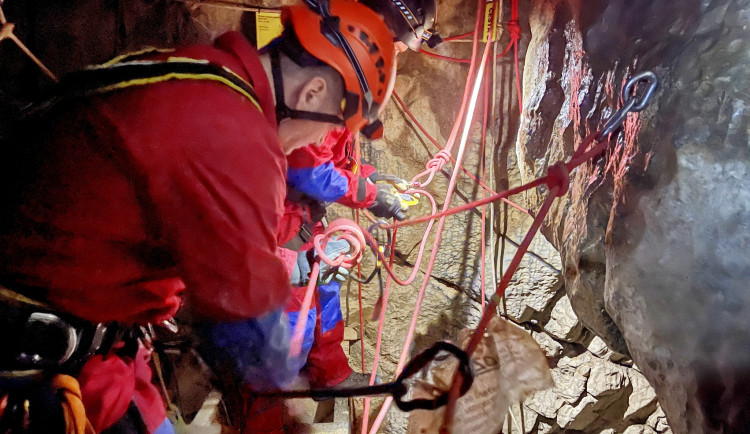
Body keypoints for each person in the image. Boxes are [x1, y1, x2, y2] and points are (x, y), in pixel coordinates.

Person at [0, 0, 396, 433]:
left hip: (100, 346)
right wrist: (292, 409)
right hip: (39, 372)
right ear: (312, 92)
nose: (321, 138)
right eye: (331, 125)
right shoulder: (238, 139)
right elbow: (247, 334)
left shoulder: (200, 71)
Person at [282, 0, 441, 392]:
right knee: (291, 316)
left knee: (328, 279)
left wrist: (374, 178)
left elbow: (334, 156)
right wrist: (371, 195)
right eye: (398, 47)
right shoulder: (320, 71)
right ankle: (273, 400)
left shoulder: (345, 73)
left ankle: (329, 372)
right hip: (273, 217)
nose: (395, 57)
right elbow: (309, 170)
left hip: (301, 214)